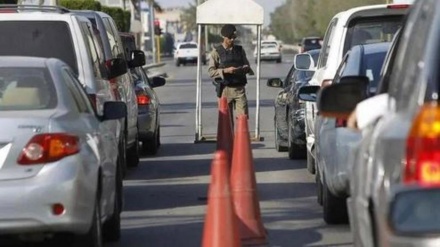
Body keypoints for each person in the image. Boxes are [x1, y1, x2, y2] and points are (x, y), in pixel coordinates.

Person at [208, 24, 254, 117]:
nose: (232, 39)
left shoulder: (240, 50)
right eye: (230, 37)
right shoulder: (216, 52)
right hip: (225, 90)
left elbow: (247, 65)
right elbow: (211, 72)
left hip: (239, 89)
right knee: (226, 121)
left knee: (242, 118)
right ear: (224, 37)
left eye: (234, 37)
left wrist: (246, 68)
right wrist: (225, 71)